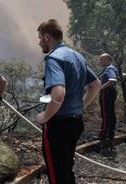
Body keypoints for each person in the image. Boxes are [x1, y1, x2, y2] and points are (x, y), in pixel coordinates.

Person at [36, 19, 101, 184]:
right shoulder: (77, 56)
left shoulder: (53, 58)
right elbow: (95, 85)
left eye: (40, 38)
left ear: (47, 37)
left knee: (57, 175)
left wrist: (44, 116)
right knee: (66, 170)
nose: (39, 43)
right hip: (76, 123)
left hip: (58, 126)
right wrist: (81, 106)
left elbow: (58, 94)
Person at [99, 53, 117, 143]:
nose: (100, 61)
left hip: (106, 93)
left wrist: (100, 88)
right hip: (110, 93)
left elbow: (112, 80)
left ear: (108, 60)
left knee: (105, 114)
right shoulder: (109, 68)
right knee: (110, 113)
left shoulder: (109, 69)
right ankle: (110, 134)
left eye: (101, 59)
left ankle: (103, 135)